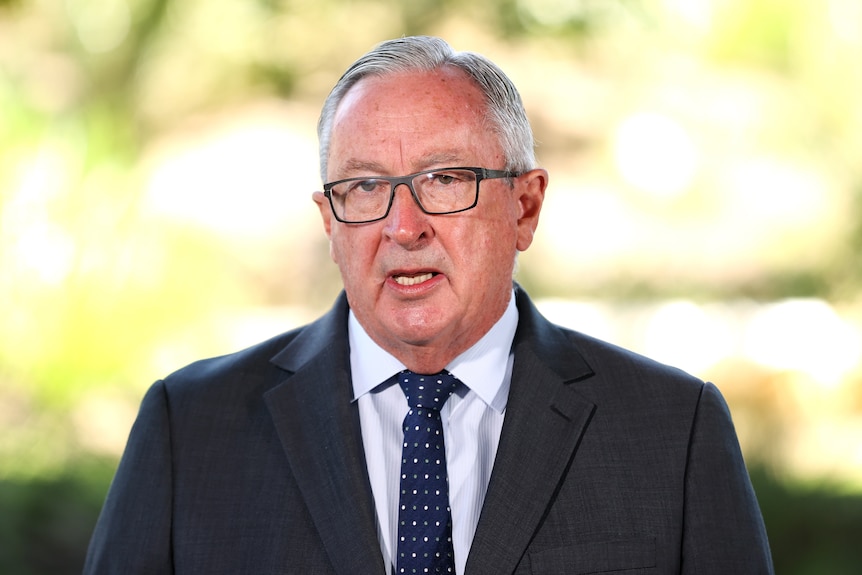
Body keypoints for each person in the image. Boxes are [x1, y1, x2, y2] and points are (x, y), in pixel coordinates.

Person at [83, 36, 774, 574]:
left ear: (525, 206)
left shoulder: (672, 431)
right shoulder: (190, 429)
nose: (403, 226)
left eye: (445, 180)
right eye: (363, 187)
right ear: (329, 222)